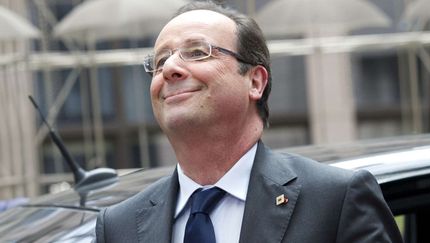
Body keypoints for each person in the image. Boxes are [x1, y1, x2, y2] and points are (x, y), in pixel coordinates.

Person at [95, 1, 403, 242]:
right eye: (160, 61)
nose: (170, 68)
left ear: (255, 81)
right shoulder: (118, 226)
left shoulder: (334, 201)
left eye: (197, 52)